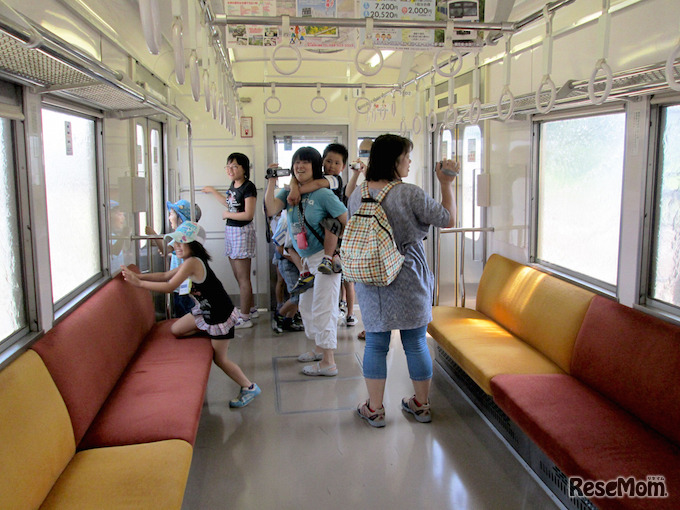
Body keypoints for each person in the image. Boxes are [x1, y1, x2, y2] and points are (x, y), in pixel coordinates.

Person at [349, 134, 458, 428]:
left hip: (372, 274)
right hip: (409, 272)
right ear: (395, 160)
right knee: (415, 342)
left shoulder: (357, 195)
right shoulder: (409, 194)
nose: (409, 161)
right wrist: (446, 184)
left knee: (376, 344)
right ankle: (421, 405)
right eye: (406, 156)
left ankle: (374, 409)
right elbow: (448, 219)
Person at [120, 221, 261, 408]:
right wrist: (137, 276)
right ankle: (207, 332)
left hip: (218, 315)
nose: (177, 246)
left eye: (182, 242)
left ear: (194, 244)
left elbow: (169, 286)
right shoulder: (190, 261)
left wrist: (139, 284)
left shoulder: (193, 263)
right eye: (176, 242)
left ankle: (249, 387)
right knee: (176, 330)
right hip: (205, 310)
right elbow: (165, 276)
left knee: (220, 359)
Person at [264, 146, 347, 377]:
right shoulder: (290, 192)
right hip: (306, 260)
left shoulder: (323, 194)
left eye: (306, 162)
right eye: (297, 162)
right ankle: (319, 349)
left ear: (315, 166)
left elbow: (345, 220)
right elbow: (271, 209)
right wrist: (271, 181)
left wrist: (334, 241)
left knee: (324, 306)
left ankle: (329, 362)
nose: (300, 166)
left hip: (325, 258)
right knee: (307, 306)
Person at [203, 152, 258, 329]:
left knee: (243, 277)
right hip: (232, 231)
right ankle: (251, 309)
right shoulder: (233, 185)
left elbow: (248, 214)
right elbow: (230, 203)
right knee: (238, 276)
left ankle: (245, 317)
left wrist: (227, 215)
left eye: (234, 166)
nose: (230, 169)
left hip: (242, 232)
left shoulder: (249, 187)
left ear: (244, 168)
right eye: (228, 166)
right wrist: (213, 192)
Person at [146, 199, 203, 317]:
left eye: (171, 214)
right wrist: (172, 253)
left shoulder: (183, 235)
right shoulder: (187, 235)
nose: (169, 218)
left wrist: (153, 234)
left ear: (180, 218)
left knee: (185, 314)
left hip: (184, 286)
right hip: (183, 285)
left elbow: (165, 250)